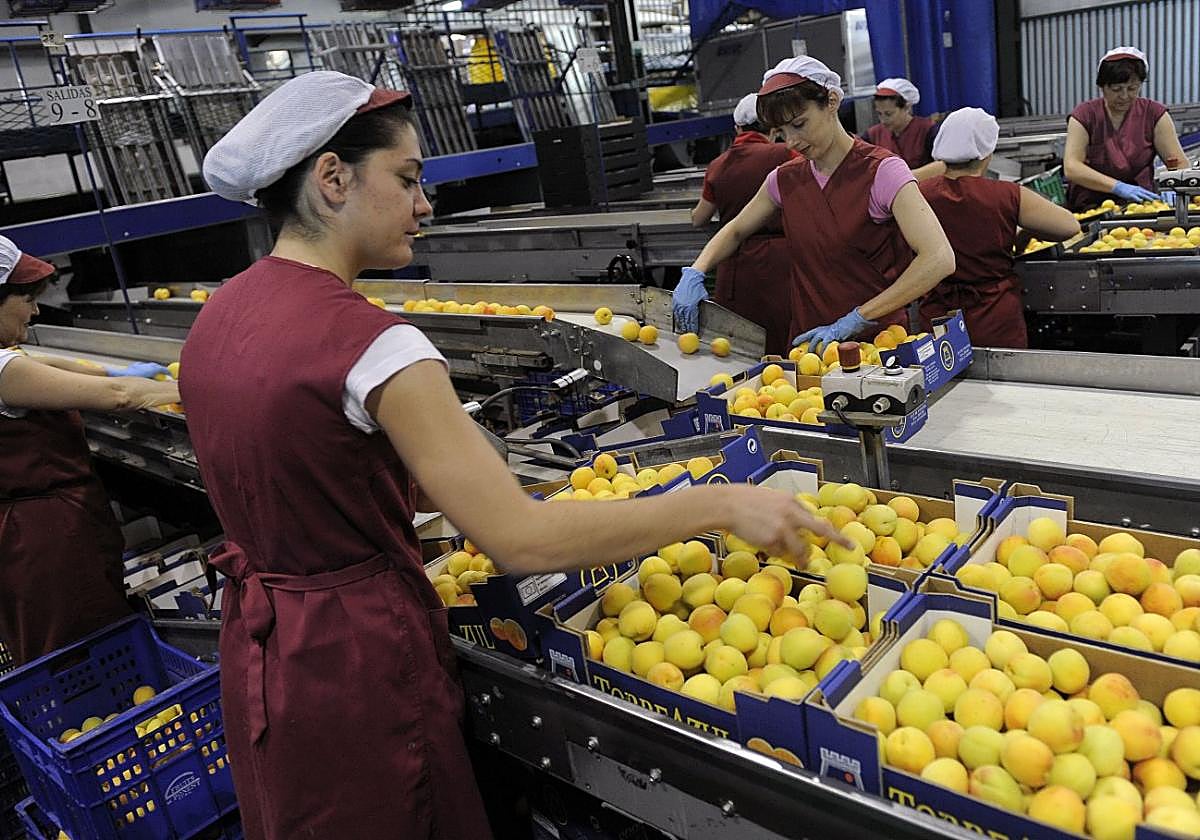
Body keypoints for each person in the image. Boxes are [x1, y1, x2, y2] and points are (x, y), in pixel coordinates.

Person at [185, 71, 846, 840]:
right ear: (332, 179)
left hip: (268, 657)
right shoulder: (375, 344)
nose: (425, 204)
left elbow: (302, 469)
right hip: (363, 662)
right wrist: (724, 503)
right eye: (406, 179)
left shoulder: (217, 317)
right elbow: (521, 540)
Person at [673, 57, 955, 353]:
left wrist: (858, 318)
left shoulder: (882, 171)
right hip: (810, 345)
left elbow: (938, 258)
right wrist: (696, 271)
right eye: (781, 131)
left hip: (878, 346)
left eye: (799, 124)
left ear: (831, 101)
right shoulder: (784, 179)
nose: (792, 141)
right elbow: (735, 230)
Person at [0, 237, 178, 666]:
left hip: (40, 527)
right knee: (76, 648)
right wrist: (186, 388)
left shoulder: (7, 357)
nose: (36, 310)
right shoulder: (4, 373)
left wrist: (111, 367)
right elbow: (117, 397)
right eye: (26, 298)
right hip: (44, 538)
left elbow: (40, 362)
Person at [917, 108, 1081, 348]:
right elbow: (1069, 226)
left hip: (938, 316)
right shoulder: (1006, 194)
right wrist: (1025, 233)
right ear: (987, 154)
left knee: (942, 380)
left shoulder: (919, 195)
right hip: (993, 314)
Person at [689, 93, 797, 354]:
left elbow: (699, 218)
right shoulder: (785, 153)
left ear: (737, 128)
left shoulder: (717, 165)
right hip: (782, 265)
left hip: (737, 268)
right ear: (773, 129)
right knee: (788, 344)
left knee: (740, 349)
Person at [1063, 46, 1189, 211]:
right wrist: (1118, 187)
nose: (1124, 96)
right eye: (1116, 89)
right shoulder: (1085, 115)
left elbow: (1178, 163)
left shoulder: (1154, 114)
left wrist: (1176, 185)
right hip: (1089, 208)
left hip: (1139, 207)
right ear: (1102, 87)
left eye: (1132, 88)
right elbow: (1072, 167)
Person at [865, 78, 943, 179]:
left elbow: (942, 165)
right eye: (879, 114)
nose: (883, 120)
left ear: (907, 107)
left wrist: (903, 179)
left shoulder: (927, 130)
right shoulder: (873, 135)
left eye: (889, 114)